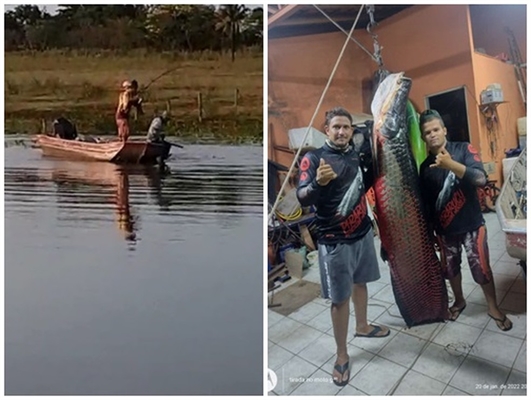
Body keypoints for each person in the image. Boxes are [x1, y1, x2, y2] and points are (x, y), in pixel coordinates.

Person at [296, 106, 390, 387]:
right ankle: (341, 354)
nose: (341, 131)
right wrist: (318, 184)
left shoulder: (357, 154)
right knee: (340, 299)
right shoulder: (312, 158)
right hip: (333, 240)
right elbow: (301, 196)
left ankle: (362, 326)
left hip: (362, 233)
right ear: (327, 129)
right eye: (336, 126)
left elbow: (372, 177)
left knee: (361, 283)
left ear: (351, 130)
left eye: (346, 127)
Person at [418, 109, 512, 331]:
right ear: (423, 137)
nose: (432, 134)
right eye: (427, 132)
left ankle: (492, 307)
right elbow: (427, 204)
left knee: (482, 269)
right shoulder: (424, 167)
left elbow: (480, 178)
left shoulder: (463, 149)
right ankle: (459, 301)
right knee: (450, 270)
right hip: (444, 230)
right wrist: (430, 231)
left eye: (435, 129)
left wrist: (451, 165)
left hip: (472, 225)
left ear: (444, 130)